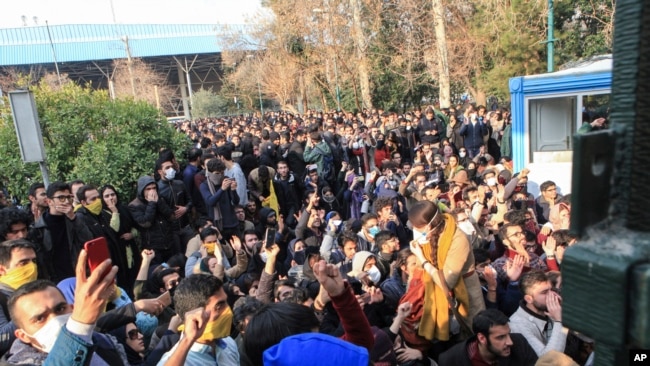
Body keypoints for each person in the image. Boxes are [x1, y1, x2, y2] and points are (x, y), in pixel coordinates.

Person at [3, 249, 122, 365]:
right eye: (40, 318)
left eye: (60, 309)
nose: (55, 320)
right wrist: (81, 325)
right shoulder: (19, 362)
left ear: (72, 307)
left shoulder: (105, 343)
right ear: (23, 336)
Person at [407, 200, 485, 344]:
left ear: (429, 225)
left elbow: (446, 281)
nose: (415, 231)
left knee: (472, 332)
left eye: (418, 228)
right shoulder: (428, 235)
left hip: (465, 291)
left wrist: (422, 258)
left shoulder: (458, 238)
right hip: (434, 292)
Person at [156, 274, 239, 365]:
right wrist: (187, 340)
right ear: (195, 315)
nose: (228, 310)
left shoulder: (228, 343)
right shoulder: (179, 361)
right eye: (219, 307)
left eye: (226, 302)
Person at [30, 181, 93, 283]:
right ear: (49, 201)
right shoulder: (39, 228)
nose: (67, 201)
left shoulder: (75, 220)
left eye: (69, 197)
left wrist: (73, 218)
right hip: (54, 279)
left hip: (77, 275)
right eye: (61, 198)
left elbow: (89, 241)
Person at [438, 308, 538, 365]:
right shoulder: (450, 361)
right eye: (501, 337)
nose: (510, 342)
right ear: (482, 338)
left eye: (508, 333)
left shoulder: (519, 343)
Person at [508, 271, 568, 357]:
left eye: (551, 289)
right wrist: (559, 322)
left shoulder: (554, 310)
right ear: (529, 299)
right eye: (544, 292)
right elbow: (548, 359)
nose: (552, 295)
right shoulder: (518, 324)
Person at [128, 176, 176, 265]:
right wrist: (152, 204)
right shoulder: (134, 205)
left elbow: (172, 216)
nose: (152, 191)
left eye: (154, 188)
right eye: (148, 189)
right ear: (142, 190)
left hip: (169, 243)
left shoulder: (160, 198)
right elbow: (146, 223)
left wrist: (159, 203)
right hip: (153, 247)